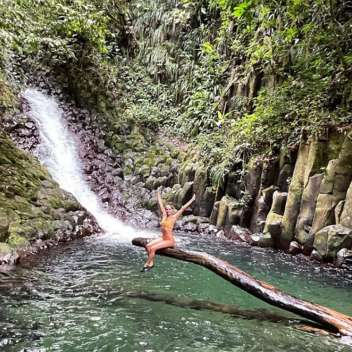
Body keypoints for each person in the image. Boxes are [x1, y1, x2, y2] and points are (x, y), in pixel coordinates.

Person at [141, 191, 196, 272]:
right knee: (148, 246)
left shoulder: (174, 217)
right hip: (163, 238)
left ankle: (148, 264)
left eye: (169, 209)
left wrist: (192, 199)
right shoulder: (164, 216)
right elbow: (160, 204)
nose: (167, 211)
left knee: (152, 248)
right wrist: (158, 194)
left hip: (169, 240)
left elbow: (183, 208)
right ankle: (151, 261)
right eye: (166, 209)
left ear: (172, 210)